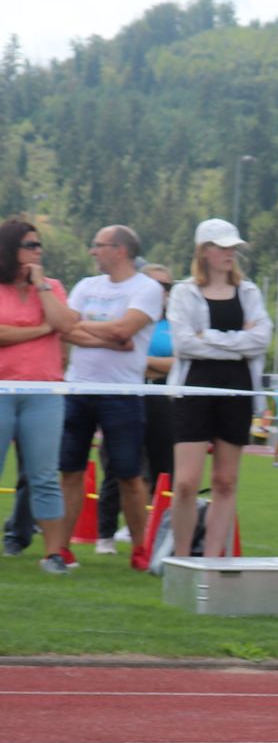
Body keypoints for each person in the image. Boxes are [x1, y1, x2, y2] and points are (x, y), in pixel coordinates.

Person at [164, 220, 272, 568]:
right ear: (204, 251)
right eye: (222, 247)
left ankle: (211, 561)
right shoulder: (183, 292)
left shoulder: (250, 292)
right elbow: (183, 343)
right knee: (186, 482)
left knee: (226, 481)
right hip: (194, 388)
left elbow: (261, 339)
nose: (230, 253)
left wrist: (207, 338)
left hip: (237, 389)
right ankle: (180, 559)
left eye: (232, 248)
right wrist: (236, 341)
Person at [57, 225, 165, 562]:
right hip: (77, 389)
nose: (92, 251)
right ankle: (61, 548)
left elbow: (124, 329)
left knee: (129, 475)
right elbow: (64, 327)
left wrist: (85, 324)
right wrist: (110, 336)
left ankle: (140, 550)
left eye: (98, 245)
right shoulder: (86, 285)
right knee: (70, 471)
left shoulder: (147, 288)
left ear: (119, 250)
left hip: (122, 394)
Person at [0, 219, 78, 572]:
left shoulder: (52, 287)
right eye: (30, 245)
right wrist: (42, 329)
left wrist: (42, 288)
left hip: (44, 392)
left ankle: (53, 554)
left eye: (39, 245)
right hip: (2, 390)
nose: (37, 251)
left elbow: (64, 323)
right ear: (10, 249)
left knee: (44, 476)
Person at [96, 262, 177, 553]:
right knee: (120, 468)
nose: (162, 292)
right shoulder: (127, 317)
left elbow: (179, 364)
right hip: (126, 397)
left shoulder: (175, 324)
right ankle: (105, 535)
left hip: (164, 402)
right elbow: (117, 355)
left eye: (167, 286)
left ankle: (157, 534)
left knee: (165, 472)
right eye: (156, 285)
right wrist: (151, 366)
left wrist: (142, 364)